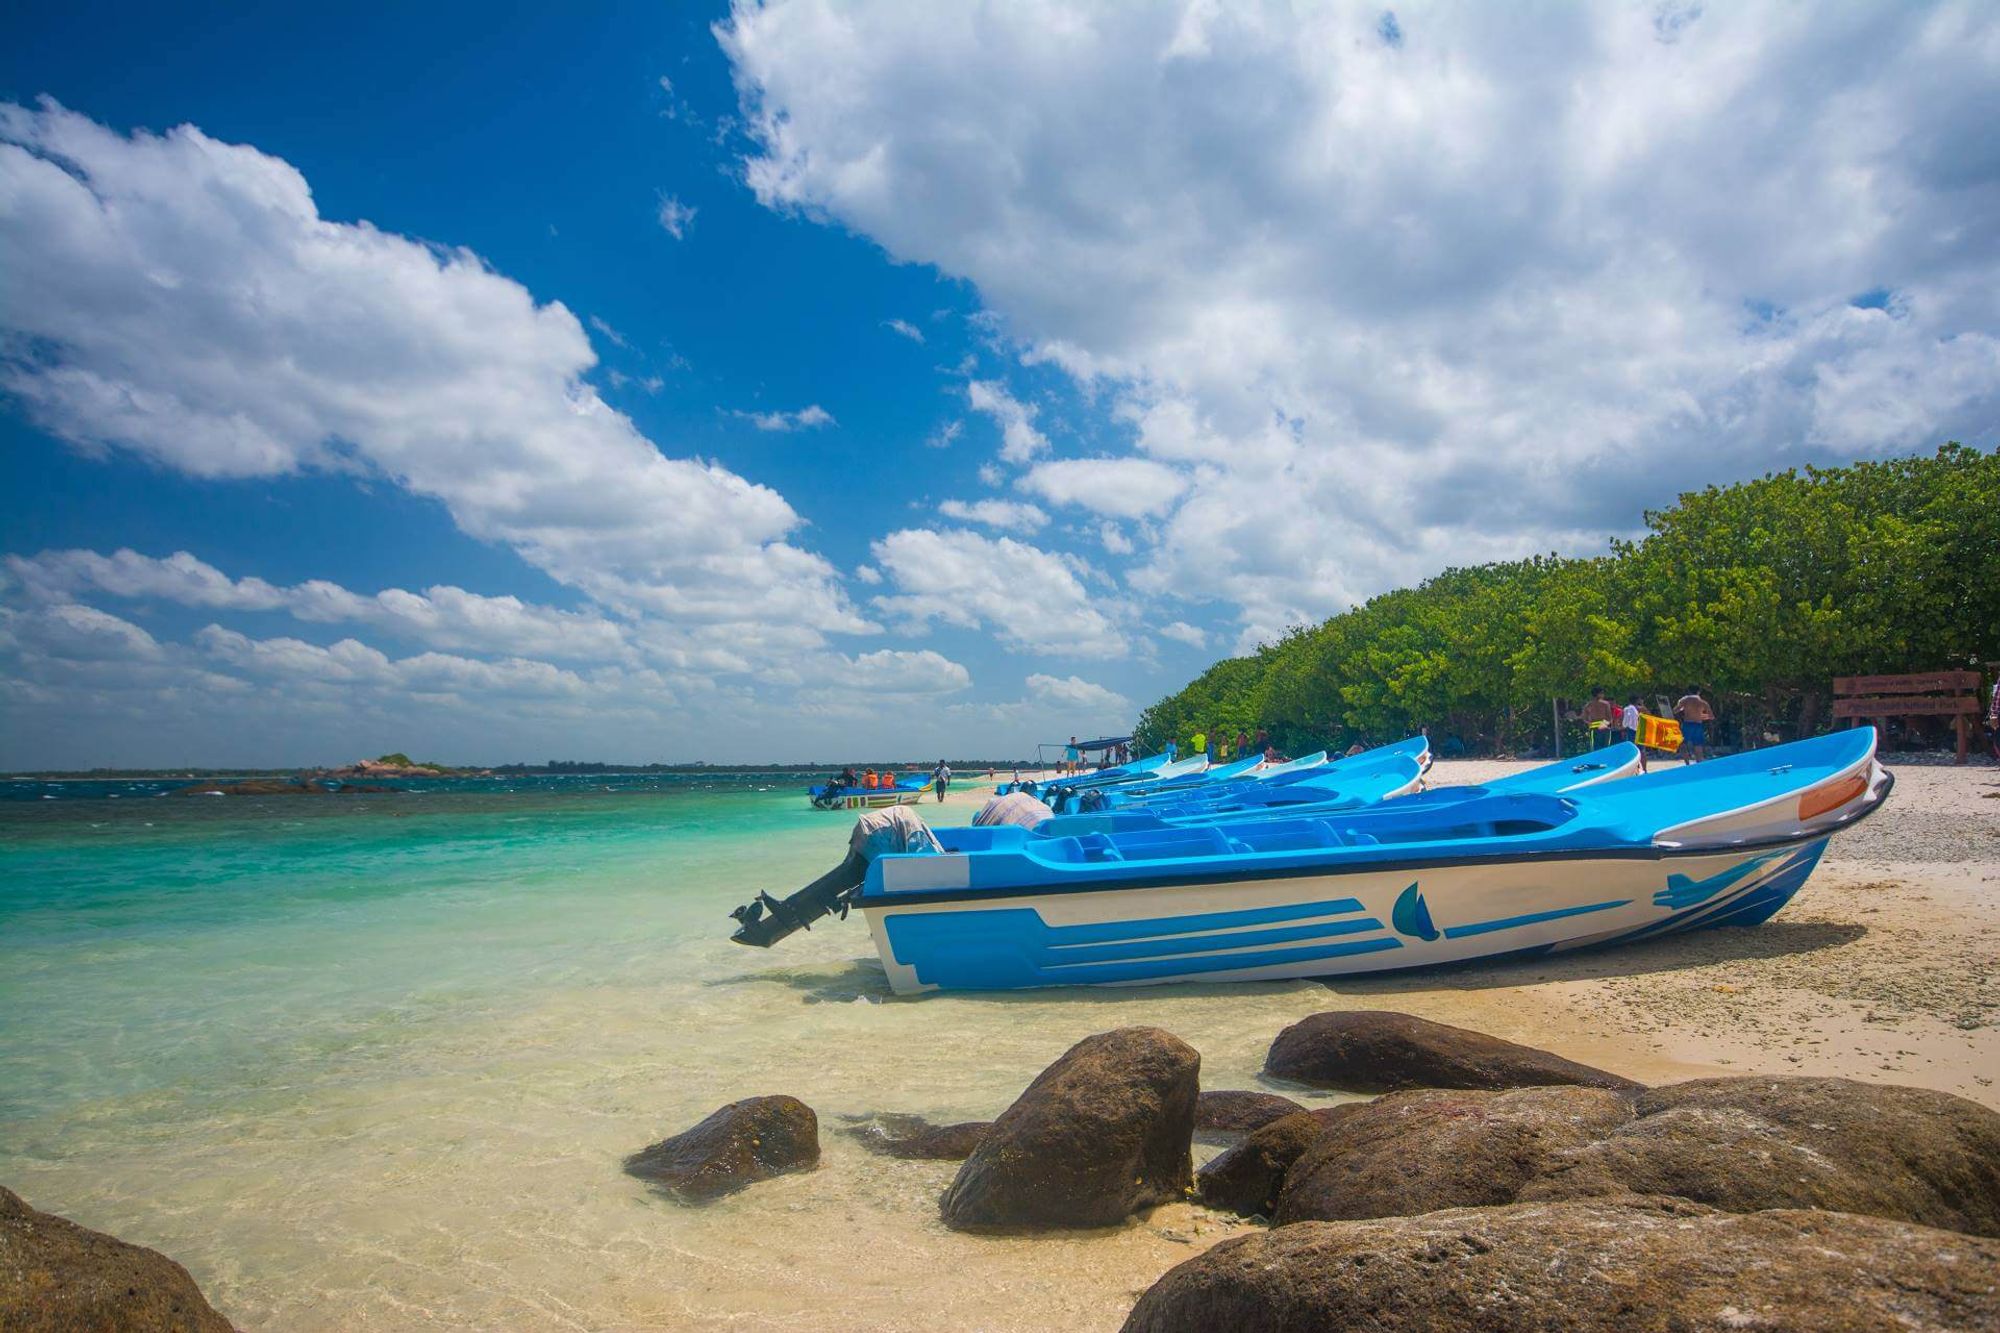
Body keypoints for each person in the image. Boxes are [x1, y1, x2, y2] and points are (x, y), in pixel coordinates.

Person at [1674, 688, 1715, 763]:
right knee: (1698, 746)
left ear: (1689, 691)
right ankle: (1699, 764)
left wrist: (1682, 708)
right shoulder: (1703, 702)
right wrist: (1700, 716)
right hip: (1698, 725)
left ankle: (1687, 763)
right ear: (1698, 692)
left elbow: (1675, 710)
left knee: (1682, 744)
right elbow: (1711, 716)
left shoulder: (1685, 701)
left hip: (1688, 725)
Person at [1622, 695, 1645, 772]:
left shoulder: (1627, 709)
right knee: (1642, 751)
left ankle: (1636, 769)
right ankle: (1644, 769)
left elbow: (1625, 722)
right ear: (1638, 700)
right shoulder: (1641, 708)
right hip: (1639, 730)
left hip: (1630, 731)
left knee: (1633, 750)